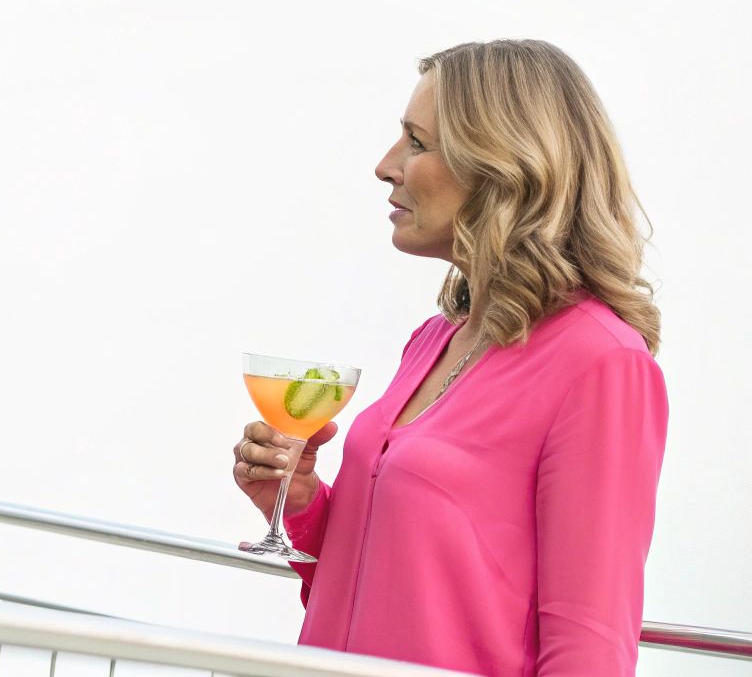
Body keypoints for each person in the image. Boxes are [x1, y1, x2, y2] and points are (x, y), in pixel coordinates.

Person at [231, 39, 668, 676]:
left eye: (416, 142)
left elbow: (591, 647)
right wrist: (299, 502)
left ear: (502, 167)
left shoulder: (602, 363)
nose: (385, 167)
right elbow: (391, 587)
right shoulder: (433, 340)